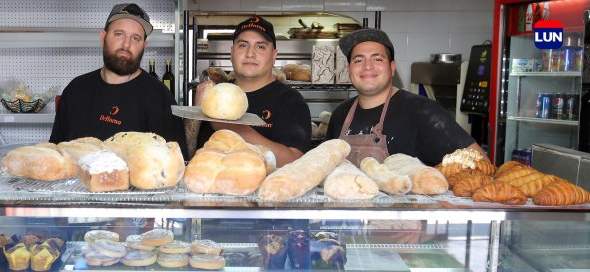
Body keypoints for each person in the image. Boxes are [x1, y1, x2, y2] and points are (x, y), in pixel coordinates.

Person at [326, 28, 488, 167]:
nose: (368, 66)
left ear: (392, 68)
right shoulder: (340, 114)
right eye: (358, 60)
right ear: (349, 69)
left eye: (377, 59)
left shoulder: (422, 112)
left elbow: (480, 165)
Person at [50, 3, 188, 160]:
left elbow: (175, 166)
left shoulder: (160, 97)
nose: (126, 44)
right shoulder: (75, 89)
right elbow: (55, 153)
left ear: (144, 46)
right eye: (119, 34)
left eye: (135, 38)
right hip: (74, 184)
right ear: (103, 38)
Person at [194, 16, 311, 167]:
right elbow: (189, 154)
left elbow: (295, 162)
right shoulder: (214, 96)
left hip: (266, 190)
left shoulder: (291, 101)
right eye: (243, 45)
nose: (250, 53)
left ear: (274, 56)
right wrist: (195, 114)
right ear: (232, 52)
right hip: (208, 187)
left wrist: (232, 127)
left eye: (260, 46)